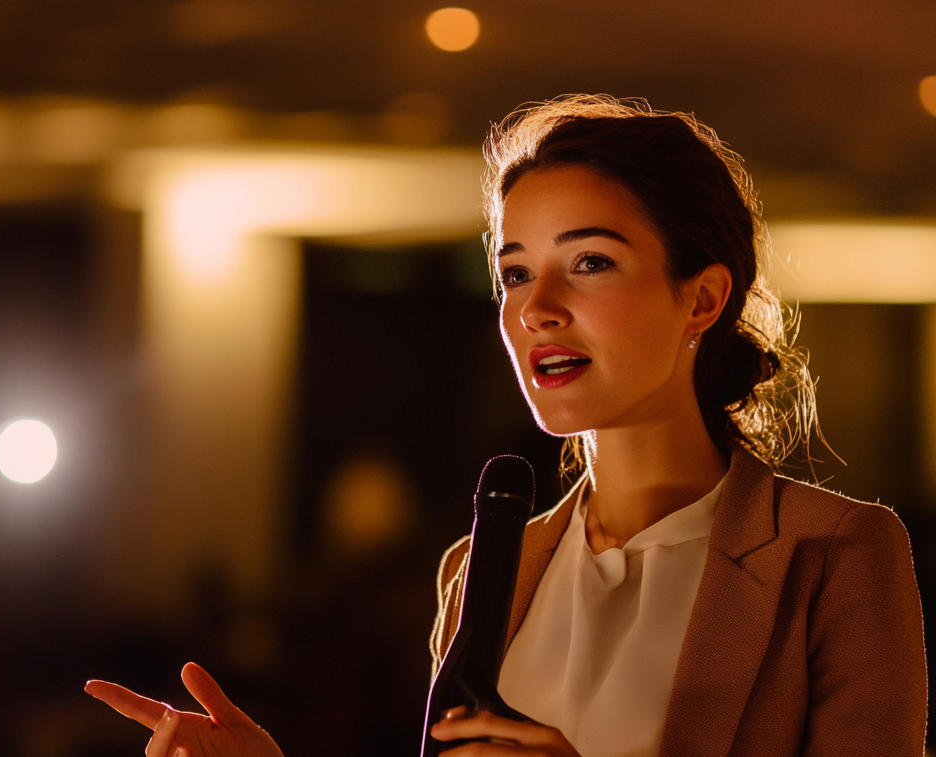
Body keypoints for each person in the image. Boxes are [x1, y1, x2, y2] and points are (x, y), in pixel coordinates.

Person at [85, 95, 927, 757]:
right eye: (515, 272)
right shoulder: (484, 569)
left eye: (590, 262)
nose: (537, 309)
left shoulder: (836, 554)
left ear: (702, 297)